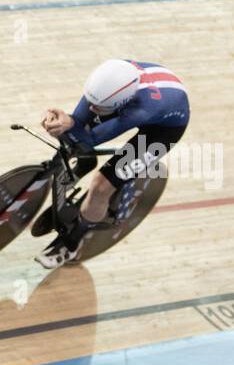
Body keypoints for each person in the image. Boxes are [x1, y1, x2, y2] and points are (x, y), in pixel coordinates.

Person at [37, 59, 190, 267]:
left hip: (163, 130)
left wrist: (69, 126)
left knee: (101, 186)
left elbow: (89, 139)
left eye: (98, 105)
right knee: (76, 132)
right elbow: (80, 121)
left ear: (121, 103)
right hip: (143, 97)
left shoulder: (140, 110)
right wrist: (66, 122)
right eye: (90, 99)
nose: (92, 107)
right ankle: (85, 162)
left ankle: (71, 244)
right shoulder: (111, 79)